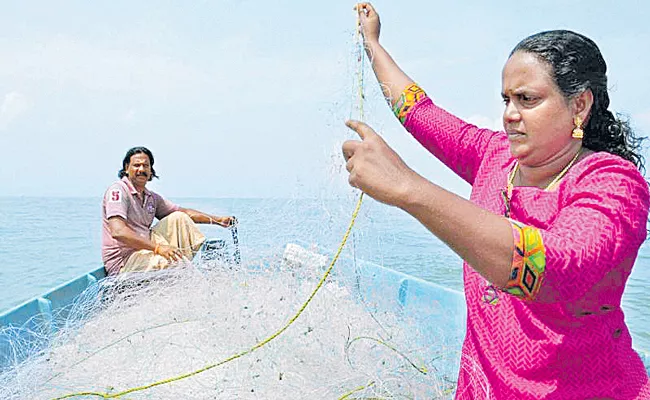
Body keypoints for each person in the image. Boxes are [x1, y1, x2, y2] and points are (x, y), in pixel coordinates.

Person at [343, 3, 650, 399]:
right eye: (506, 99)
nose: (509, 114)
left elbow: (556, 269)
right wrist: (373, 44)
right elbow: (417, 110)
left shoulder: (612, 183)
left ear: (579, 105)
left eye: (527, 99)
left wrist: (409, 189)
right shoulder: (495, 158)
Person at [101, 146, 236, 276]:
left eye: (146, 166)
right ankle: (179, 266)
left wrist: (219, 221)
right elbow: (118, 232)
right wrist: (158, 248)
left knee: (179, 218)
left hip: (144, 251)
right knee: (177, 265)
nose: (141, 169)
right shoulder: (118, 191)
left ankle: (179, 262)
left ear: (150, 171)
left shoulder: (151, 197)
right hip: (124, 261)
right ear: (126, 168)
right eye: (136, 165)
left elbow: (185, 212)